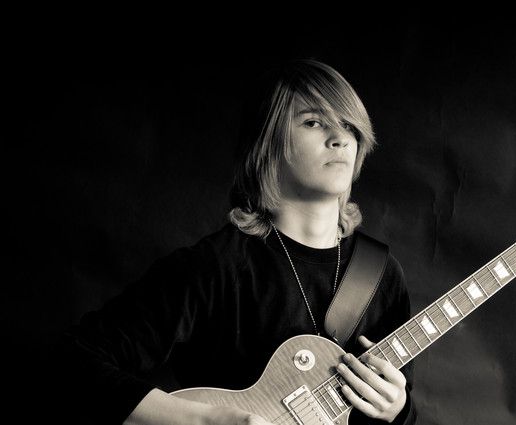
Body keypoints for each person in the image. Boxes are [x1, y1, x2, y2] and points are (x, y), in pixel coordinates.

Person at [63, 58, 418, 425]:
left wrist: (399, 411)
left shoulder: (382, 274)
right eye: (314, 122)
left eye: (348, 125)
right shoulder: (218, 266)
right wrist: (209, 420)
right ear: (268, 143)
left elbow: (391, 414)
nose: (340, 138)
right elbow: (73, 361)